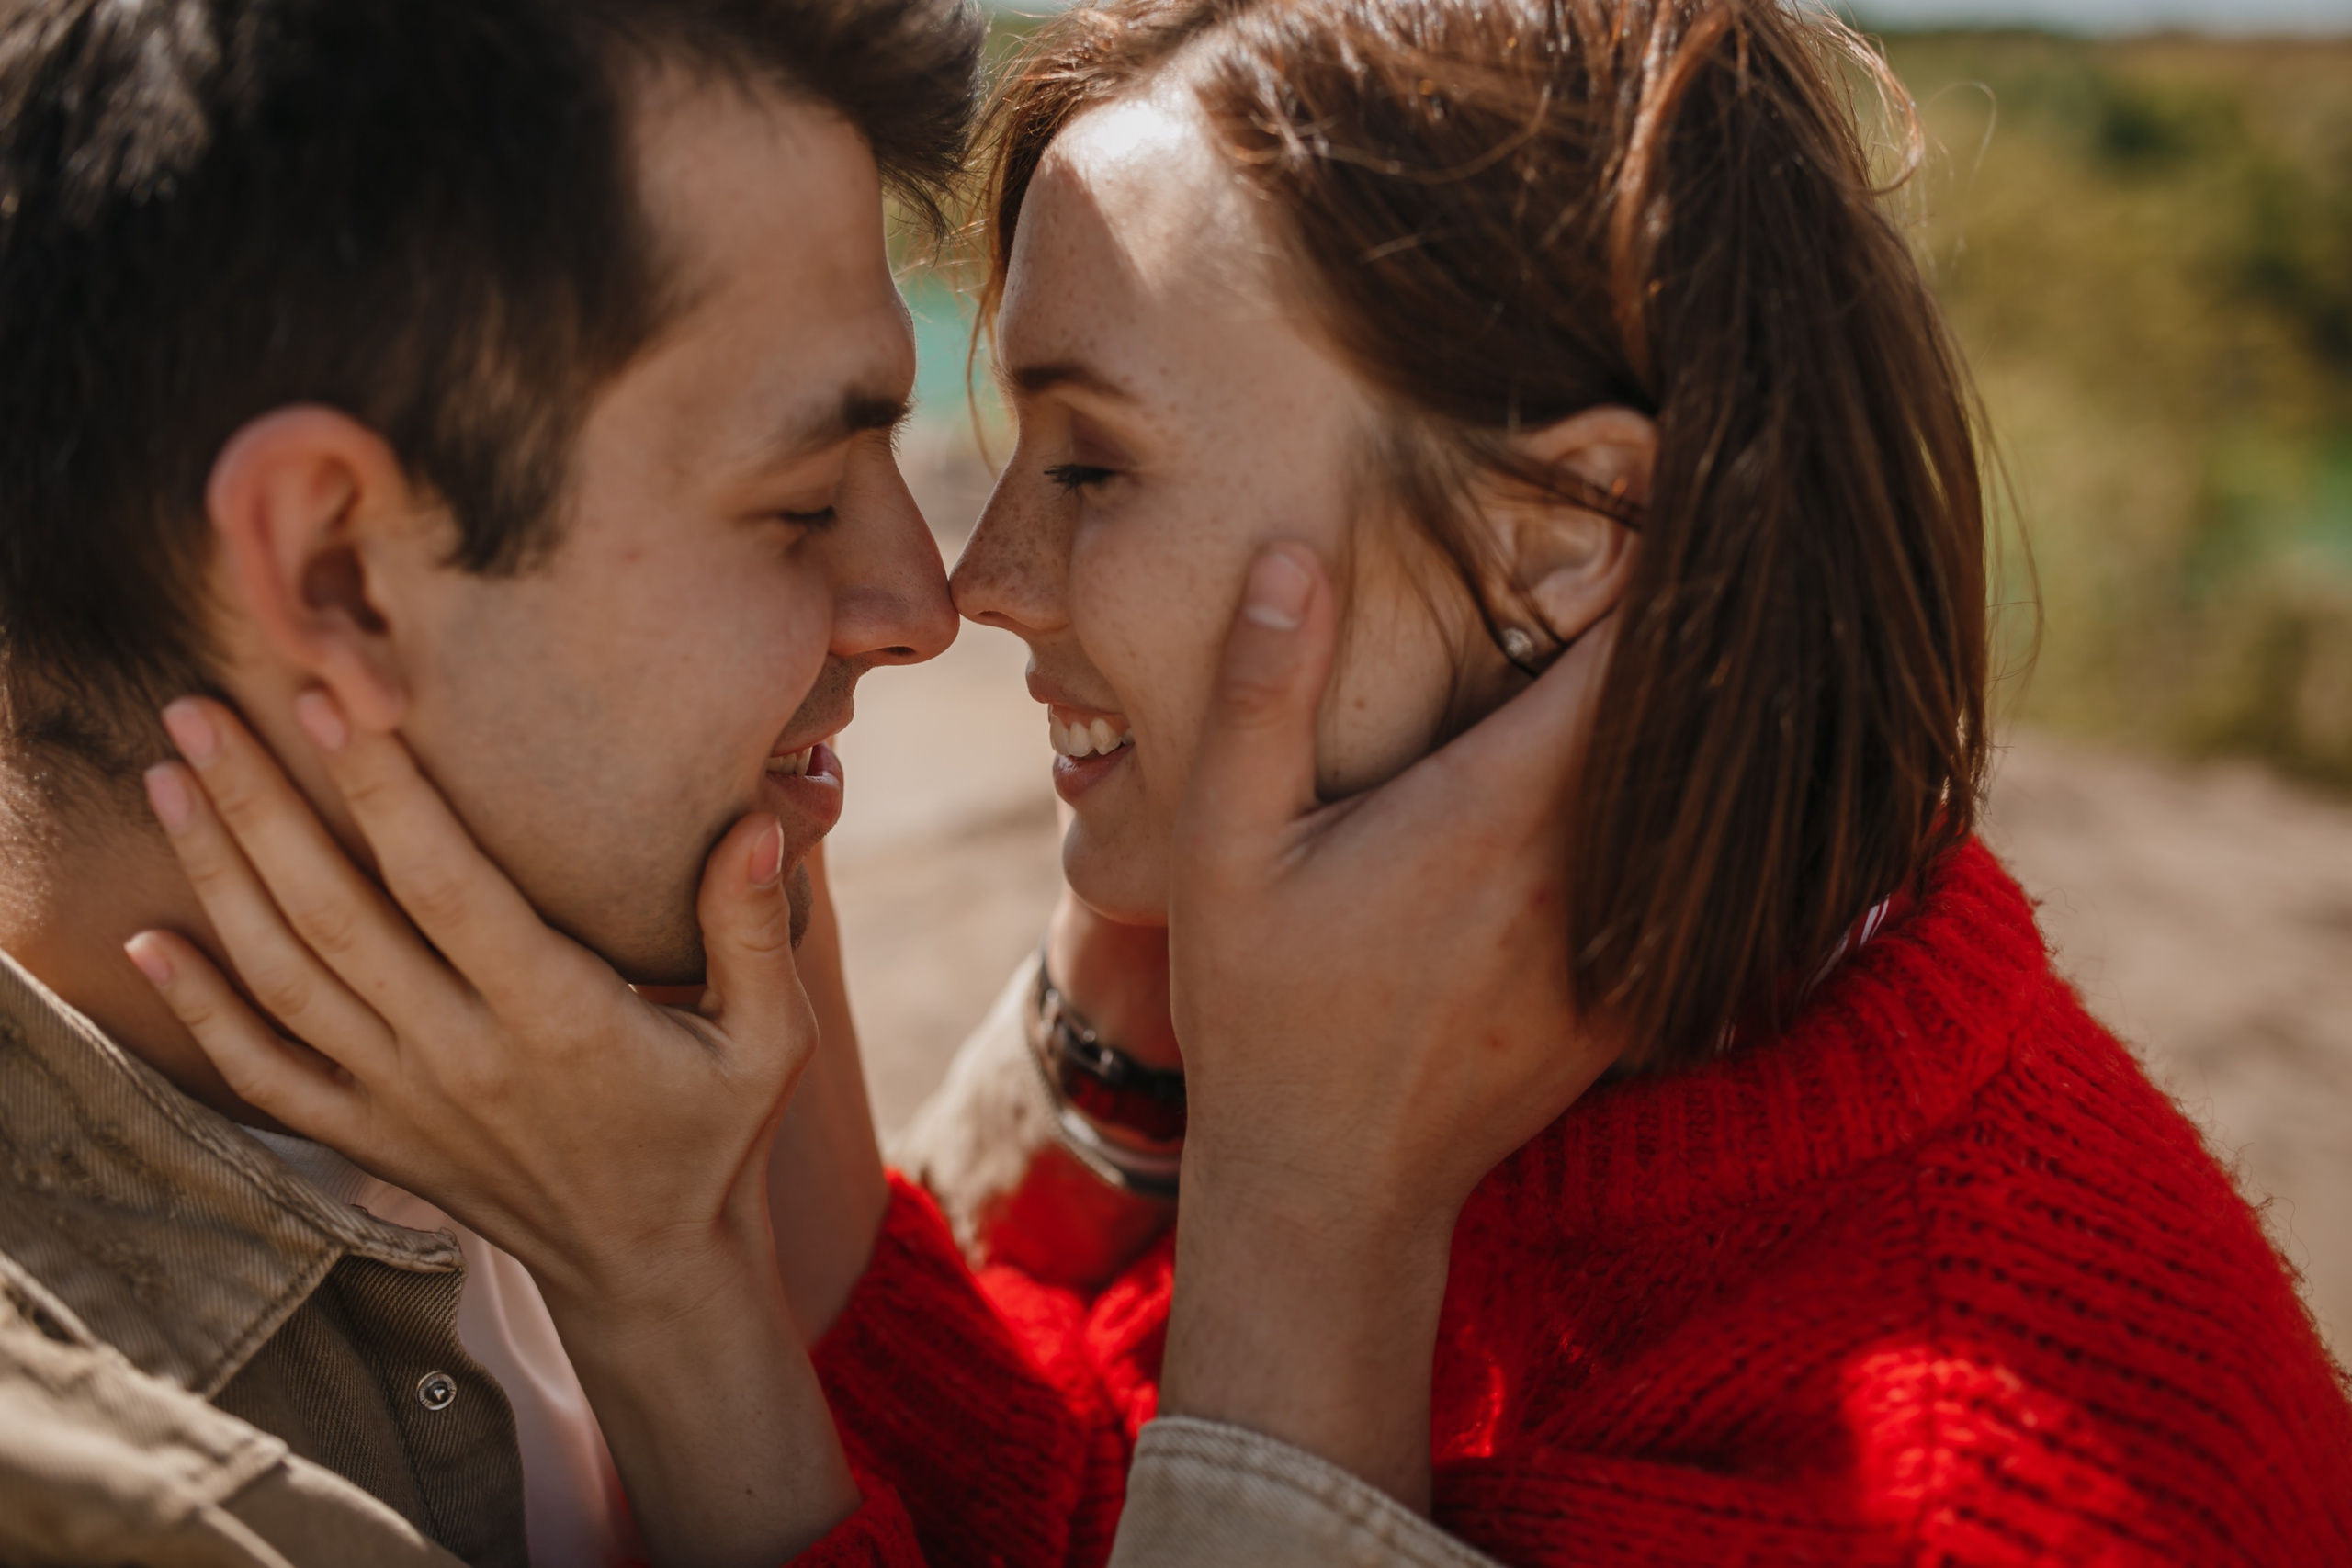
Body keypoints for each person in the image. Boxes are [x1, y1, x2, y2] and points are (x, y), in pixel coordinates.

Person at [115, 0, 2352, 1564]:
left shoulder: (1953, 1488)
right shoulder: (1555, 1034)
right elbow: (1089, 1514)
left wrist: (671, 1284)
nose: (977, 582)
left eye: (1091, 464)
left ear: (1557, 539)